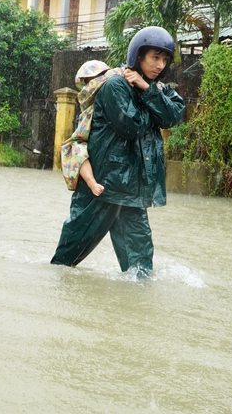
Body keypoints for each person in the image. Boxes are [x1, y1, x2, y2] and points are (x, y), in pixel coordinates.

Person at [51, 27, 186, 277]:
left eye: (164, 59)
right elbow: (131, 126)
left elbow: (173, 114)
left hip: (133, 189)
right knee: (66, 260)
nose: (160, 64)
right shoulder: (115, 85)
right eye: (154, 57)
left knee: (140, 269)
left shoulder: (153, 87)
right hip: (103, 186)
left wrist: (147, 88)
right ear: (138, 56)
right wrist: (155, 106)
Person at [60, 60, 124, 196]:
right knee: (76, 149)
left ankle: (91, 182)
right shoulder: (91, 92)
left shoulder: (111, 84)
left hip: (93, 138)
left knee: (77, 148)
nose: (92, 83)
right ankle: (91, 182)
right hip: (85, 134)